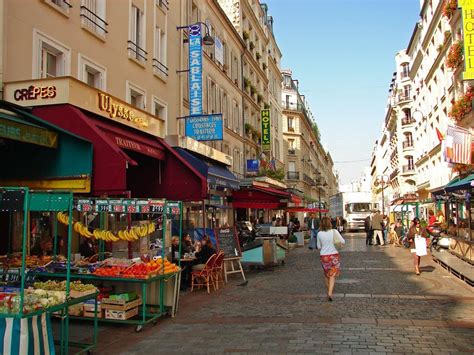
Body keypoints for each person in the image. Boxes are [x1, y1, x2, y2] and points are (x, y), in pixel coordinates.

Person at [316, 217, 345, 302]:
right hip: (334, 256)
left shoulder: (319, 233)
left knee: (326, 274)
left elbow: (318, 246)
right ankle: (329, 293)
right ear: (330, 223)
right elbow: (343, 241)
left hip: (324, 256)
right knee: (332, 275)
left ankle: (328, 289)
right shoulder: (334, 231)